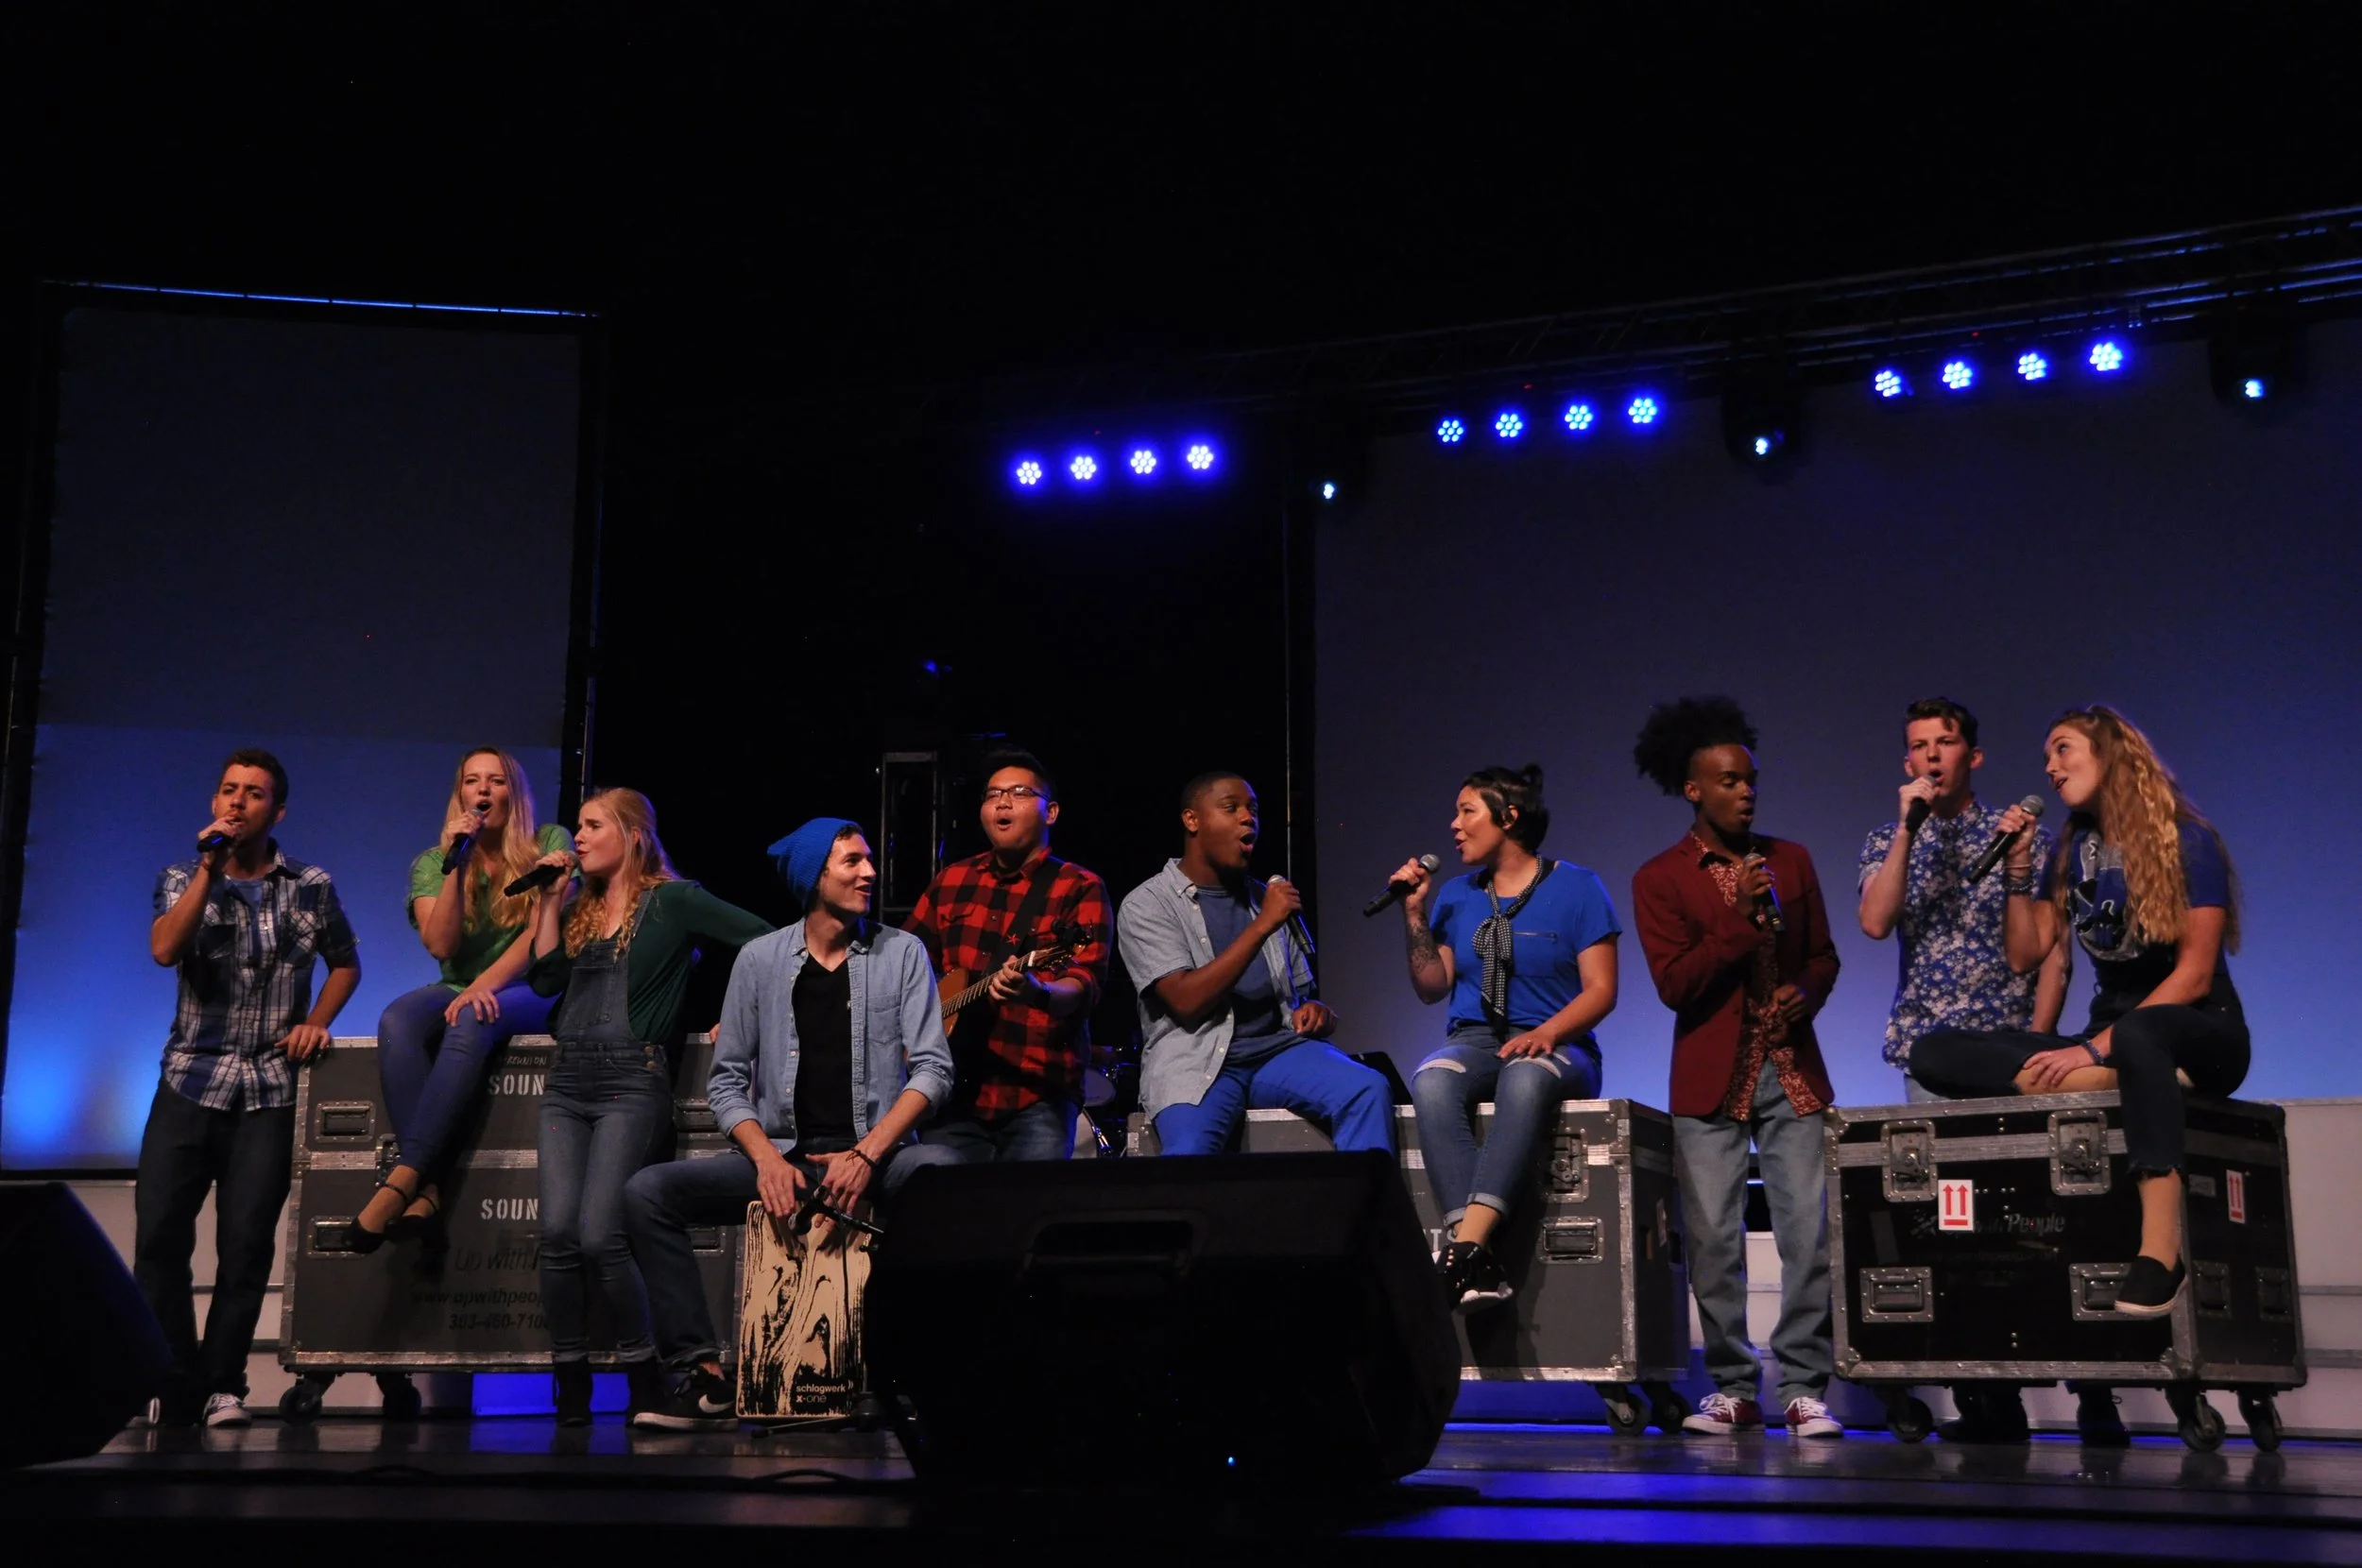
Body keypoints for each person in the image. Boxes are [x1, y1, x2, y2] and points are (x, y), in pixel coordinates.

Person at [1909, 706, 2249, 1321]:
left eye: (2063, 750)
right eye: (2047, 757)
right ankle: (2134, 1081)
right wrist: (2017, 872)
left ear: (2112, 754)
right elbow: (2024, 956)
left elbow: (2195, 974)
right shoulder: (2072, 847)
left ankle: (2160, 1254)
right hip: (2113, 1045)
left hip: (2200, 1033)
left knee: (2143, 1033)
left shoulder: (2187, 837)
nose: (2051, 767)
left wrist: (2092, 1051)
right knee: (1934, 1051)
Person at [623, 818, 957, 1431]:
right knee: (648, 1194)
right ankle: (705, 1375)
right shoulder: (759, 961)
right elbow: (726, 1082)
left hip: (874, 1159)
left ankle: (899, 1370)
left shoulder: (901, 953)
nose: (869, 873)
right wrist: (766, 1160)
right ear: (814, 877)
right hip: (788, 1162)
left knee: (939, 1172)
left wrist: (867, 1155)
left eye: (868, 860)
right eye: (851, 862)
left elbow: (934, 1071)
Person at [1856, 699, 2114, 1445]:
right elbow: (1875, 922)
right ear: (1907, 763)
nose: (1931, 755)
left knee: (2053, 1221)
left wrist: (2035, 1042)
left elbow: (2045, 954)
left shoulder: (2019, 830)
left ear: (1973, 755)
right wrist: (1909, 827)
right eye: (1918, 746)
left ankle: (2098, 1390)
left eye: (1946, 742)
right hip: (1927, 1053)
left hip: (2013, 1051)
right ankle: (1986, 1399)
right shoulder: (1886, 835)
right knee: (1951, 1227)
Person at [520, 788, 772, 1426]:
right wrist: (549, 899)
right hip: (568, 1082)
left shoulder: (673, 901)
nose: (576, 838)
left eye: (592, 825)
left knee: (603, 1235)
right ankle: (569, 1375)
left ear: (633, 835)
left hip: (631, 1083)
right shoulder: (579, 908)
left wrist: (736, 1019)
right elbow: (545, 980)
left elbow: (766, 944)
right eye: (577, 826)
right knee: (556, 1235)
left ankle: (644, 1375)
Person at [1629, 698, 1845, 1440]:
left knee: (1806, 1236)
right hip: (1710, 1078)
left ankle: (1804, 1387)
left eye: (1750, 779)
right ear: (1694, 790)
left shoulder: (1793, 860)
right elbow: (1675, 984)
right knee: (1715, 1242)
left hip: (1790, 1072)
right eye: (1728, 781)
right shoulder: (1660, 878)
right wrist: (1739, 917)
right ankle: (1731, 1387)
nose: (1746, 791)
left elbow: (1823, 957)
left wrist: (1805, 994)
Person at [136, 749, 361, 1427]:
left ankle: (222, 1384)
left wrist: (316, 1024)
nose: (237, 803)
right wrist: (209, 871)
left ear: (277, 811)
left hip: (268, 1089)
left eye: (254, 794)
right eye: (228, 791)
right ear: (214, 803)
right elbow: (164, 950)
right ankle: (172, 1379)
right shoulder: (182, 875)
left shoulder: (309, 884)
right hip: (189, 1081)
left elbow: (345, 963)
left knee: (245, 1246)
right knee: (160, 1241)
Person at [1395, 765, 1620, 1312]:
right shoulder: (1455, 894)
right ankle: (1476, 1260)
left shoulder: (1579, 887)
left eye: (1467, 810)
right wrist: (1414, 914)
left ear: (1509, 816)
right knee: (1430, 1079)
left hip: (1560, 1042)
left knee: (1523, 1076)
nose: (1454, 825)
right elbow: (1431, 988)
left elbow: (1601, 991)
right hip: (1475, 1040)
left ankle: (1465, 1245)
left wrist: (1546, 1032)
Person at [357, 747, 575, 1245]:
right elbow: (441, 944)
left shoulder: (551, 842)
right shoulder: (434, 862)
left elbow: (544, 927)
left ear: (513, 793)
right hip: (458, 984)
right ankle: (428, 1186)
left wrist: (486, 985)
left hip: (531, 987)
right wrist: (457, 863)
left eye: (496, 781)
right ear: (460, 795)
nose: (482, 790)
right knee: (397, 1021)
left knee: (471, 1017)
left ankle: (405, 1174)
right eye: (472, 781)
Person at [1116, 771, 1392, 1158]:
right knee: (1189, 1152)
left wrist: (1314, 1012)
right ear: (1192, 819)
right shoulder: (1148, 904)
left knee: (1367, 1088)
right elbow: (1185, 1001)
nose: (1249, 818)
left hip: (1277, 1052)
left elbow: (1298, 998)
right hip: (1197, 1063)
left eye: (1253, 810)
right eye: (1231, 808)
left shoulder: (1266, 899)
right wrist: (1262, 925)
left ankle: (1363, 1218)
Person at [903, 750, 1114, 1163]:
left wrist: (1037, 992)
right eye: (993, 794)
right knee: (944, 1213)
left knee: (1025, 1214)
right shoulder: (952, 880)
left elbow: (1084, 983)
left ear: (1050, 812)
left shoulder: (1079, 886)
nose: (1003, 802)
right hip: (952, 1092)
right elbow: (903, 968)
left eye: (1019, 793)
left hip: (1037, 1093)